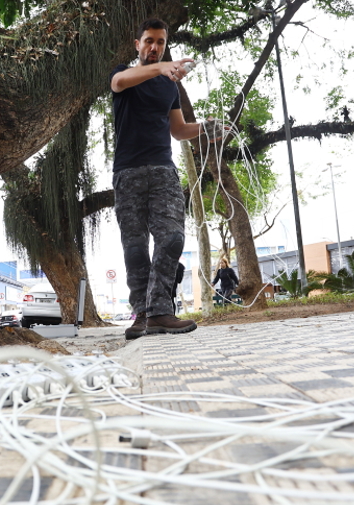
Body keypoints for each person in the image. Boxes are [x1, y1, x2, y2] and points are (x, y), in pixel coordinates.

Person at [111, 18, 225, 340]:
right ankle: (141, 315)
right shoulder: (125, 73)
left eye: (160, 42)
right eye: (148, 41)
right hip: (127, 172)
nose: (154, 47)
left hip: (163, 170)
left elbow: (178, 130)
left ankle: (160, 312)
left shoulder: (168, 85)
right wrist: (161, 68)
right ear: (138, 44)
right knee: (134, 248)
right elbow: (119, 82)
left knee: (173, 238)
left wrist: (208, 128)